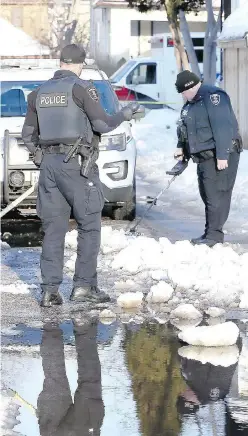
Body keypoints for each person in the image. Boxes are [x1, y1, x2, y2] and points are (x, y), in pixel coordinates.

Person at [21, 44, 144, 307]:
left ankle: (50, 291)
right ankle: (84, 287)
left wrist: (41, 156)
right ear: (80, 64)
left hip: (50, 167)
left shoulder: (38, 93)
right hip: (77, 166)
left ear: (61, 63)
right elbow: (102, 124)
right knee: (89, 225)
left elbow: (28, 135)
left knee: (53, 229)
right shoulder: (81, 88)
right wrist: (124, 113)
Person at [173, 70, 242, 248]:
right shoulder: (192, 103)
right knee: (207, 194)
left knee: (217, 195)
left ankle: (214, 236)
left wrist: (222, 155)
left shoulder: (213, 97)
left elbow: (223, 127)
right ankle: (209, 231)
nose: (183, 96)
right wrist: (182, 147)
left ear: (191, 87)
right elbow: (185, 127)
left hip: (220, 155)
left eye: (183, 92)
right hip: (204, 156)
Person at [37, 315, 105, 436]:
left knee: (89, 379)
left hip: (85, 428)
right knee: (54, 378)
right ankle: (50, 319)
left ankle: (83, 323)